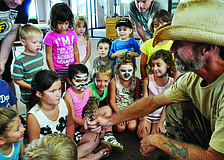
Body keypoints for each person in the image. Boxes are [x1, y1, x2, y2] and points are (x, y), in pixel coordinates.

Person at [88, 0, 224, 159]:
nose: (172, 49)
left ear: (206, 48)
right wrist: (109, 120)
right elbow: (153, 102)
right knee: (176, 109)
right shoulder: (191, 80)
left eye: (179, 43)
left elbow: (215, 158)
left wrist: (161, 141)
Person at [63, 64, 111, 159]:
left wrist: (94, 121)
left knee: (107, 111)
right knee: (96, 139)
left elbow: (91, 110)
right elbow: (72, 117)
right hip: (75, 127)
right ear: (69, 81)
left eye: (85, 80)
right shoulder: (68, 95)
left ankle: (87, 150)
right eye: (78, 80)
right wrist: (86, 123)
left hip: (86, 121)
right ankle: (83, 157)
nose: (82, 84)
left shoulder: (88, 90)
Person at [26, 70, 75, 144]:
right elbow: (33, 146)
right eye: (52, 91)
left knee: (92, 137)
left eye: (59, 89)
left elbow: (70, 124)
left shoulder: (64, 103)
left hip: (64, 145)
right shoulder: (33, 117)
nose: (58, 94)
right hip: (47, 152)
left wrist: (69, 144)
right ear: (39, 94)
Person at [137, 49, 174, 139]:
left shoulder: (172, 82)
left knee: (155, 137)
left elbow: (167, 105)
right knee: (142, 136)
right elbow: (144, 101)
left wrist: (161, 122)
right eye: (153, 65)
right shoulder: (147, 80)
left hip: (161, 116)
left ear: (168, 65)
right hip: (148, 114)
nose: (154, 68)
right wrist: (144, 119)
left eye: (158, 65)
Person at [43, 3, 80, 94]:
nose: (63, 26)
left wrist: (77, 63)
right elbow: (48, 55)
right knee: (60, 89)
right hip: (58, 69)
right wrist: (53, 71)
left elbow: (75, 50)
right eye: (60, 23)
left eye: (66, 23)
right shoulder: (49, 36)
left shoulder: (72, 33)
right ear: (54, 21)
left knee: (71, 89)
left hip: (71, 67)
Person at [89, 65, 123, 152]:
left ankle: (106, 135)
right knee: (108, 109)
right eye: (99, 81)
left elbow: (107, 101)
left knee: (101, 134)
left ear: (109, 80)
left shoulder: (107, 87)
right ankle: (109, 134)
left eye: (105, 81)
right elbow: (89, 109)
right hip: (91, 113)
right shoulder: (90, 89)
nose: (102, 84)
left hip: (100, 112)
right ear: (93, 79)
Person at [0, 0, 31, 94]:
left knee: (6, 76)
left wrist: (2, 62)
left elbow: (12, 32)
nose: (19, 3)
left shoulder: (23, 2)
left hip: (3, 44)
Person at [12, 24, 43, 111]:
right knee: (31, 112)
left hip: (39, 91)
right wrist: (31, 87)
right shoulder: (20, 60)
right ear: (23, 42)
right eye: (34, 42)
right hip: (28, 94)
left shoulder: (40, 55)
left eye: (40, 42)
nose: (38, 45)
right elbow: (17, 79)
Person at [140, 9, 174, 80]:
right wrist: (146, 82)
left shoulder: (174, 45)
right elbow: (142, 67)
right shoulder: (147, 45)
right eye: (156, 25)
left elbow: (176, 70)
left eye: (163, 25)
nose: (160, 28)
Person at [110, 54, 141, 133]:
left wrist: (130, 114)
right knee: (121, 129)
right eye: (123, 71)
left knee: (132, 127)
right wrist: (120, 114)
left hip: (131, 109)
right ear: (118, 69)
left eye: (129, 71)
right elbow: (112, 101)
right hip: (118, 109)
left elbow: (137, 100)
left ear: (133, 69)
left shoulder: (136, 80)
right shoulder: (114, 81)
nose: (126, 73)